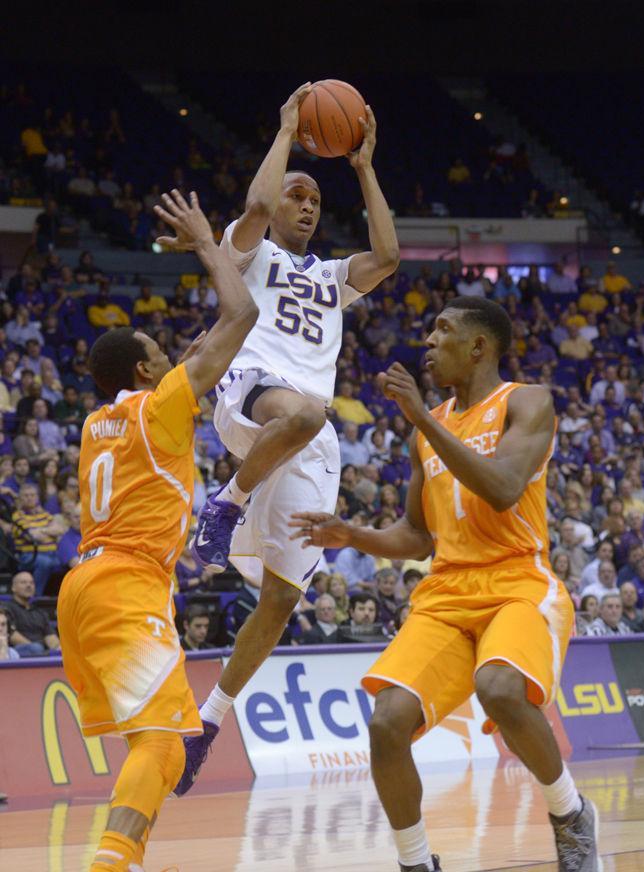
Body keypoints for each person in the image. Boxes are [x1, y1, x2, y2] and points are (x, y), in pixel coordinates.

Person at [291, 296, 599, 872]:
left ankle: (570, 813)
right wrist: (351, 533)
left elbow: (505, 487)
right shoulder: (423, 433)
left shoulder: (527, 401)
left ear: (478, 346)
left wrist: (424, 419)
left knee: (502, 689)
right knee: (386, 723)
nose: (428, 341)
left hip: (517, 583)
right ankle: (415, 863)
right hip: (446, 593)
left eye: (442, 330)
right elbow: (416, 533)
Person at [177, 83, 399, 793]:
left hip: (306, 438)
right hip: (253, 394)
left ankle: (209, 721)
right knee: (305, 412)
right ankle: (225, 503)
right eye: (299, 196)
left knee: (279, 600)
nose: (305, 205)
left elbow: (389, 255)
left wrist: (362, 166)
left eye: (314, 201)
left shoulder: (334, 277)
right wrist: (283, 134)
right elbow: (256, 207)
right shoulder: (251, 252)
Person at [55, 189, 258, 872]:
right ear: (146, 372)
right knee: (165, 745)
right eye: (161, 353)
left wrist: (187, 362)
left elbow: (183, 368)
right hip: (127, 586)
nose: (174, 358)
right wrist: (208, 243)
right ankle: (109, 866)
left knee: (155, 745)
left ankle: (124, 859)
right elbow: (243, 314)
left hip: (82, 587)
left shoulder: (97, 424)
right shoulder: (158, 408)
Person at [5, 571, 60, 657]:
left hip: (42, 651)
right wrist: (39, 652)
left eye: (32, 583)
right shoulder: (6, 608)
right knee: (35, 648)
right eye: (23, 582)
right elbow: (11, 635)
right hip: (18, 652)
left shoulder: (40, 612)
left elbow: (50, 635)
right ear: (13, 587)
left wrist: (57, 648)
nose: (28, 585)